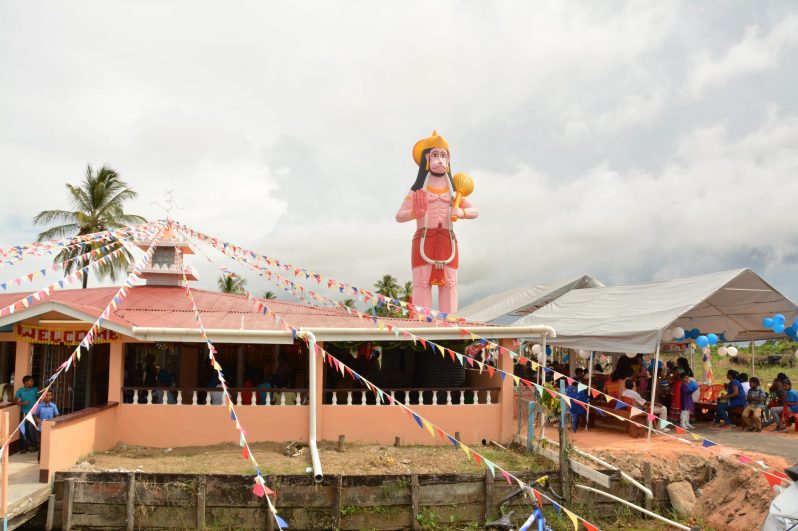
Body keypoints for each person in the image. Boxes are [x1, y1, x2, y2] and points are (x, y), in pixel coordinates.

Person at [395, 131, 479, 313]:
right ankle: (422, 328)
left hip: (448, 240)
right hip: (423, 239)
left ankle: (448, 328)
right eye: (435, 155)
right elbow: (399, 216)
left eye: (443, 155)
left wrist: (462, 212)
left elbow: (475, 211)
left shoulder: (455, 192)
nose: (440, 160)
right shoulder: (417, 191)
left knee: (450, 285)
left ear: (448, 160)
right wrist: (415, 213)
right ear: (427, 158)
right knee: (421, 284)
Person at [14, 375, 39, 453]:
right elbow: (14, 400)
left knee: (31, 429)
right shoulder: (20, 390)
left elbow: (38, 399)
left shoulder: (35, 390)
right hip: (24, 413)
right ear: (25, 382)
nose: (32, 382)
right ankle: (24, 447)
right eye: (31, 381)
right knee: (23, 430)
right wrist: (22, 403)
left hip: (33, 413)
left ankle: (33, 446)